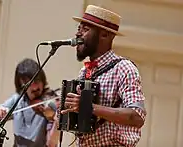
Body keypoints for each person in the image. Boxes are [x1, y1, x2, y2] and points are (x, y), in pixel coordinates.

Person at [61, 5, 147, 147]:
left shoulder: (123, 68)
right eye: (79, 28)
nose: (78, 34)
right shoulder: (84, 72)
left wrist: (88, 106)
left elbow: (136, 116)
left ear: (105, 35)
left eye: (85, 29)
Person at [0, 58, 59, 147]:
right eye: (29, 83)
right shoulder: (18, 100)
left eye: (37, 81)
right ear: (21, 85)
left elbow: (52, 144)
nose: (34, 87)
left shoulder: (50, 104)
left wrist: (56, 121)